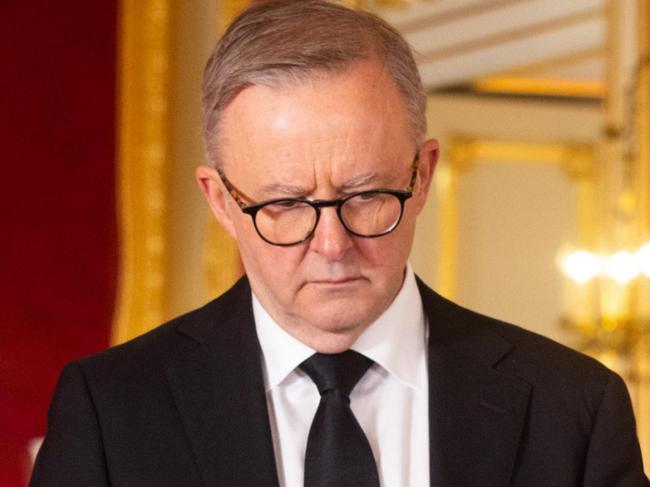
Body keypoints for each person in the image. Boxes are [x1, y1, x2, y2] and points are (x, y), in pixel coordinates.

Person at [31, 1, 648, 486]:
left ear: (423, 174)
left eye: (366, 196)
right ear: (221, 200)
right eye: (285, 205)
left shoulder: (573, 407)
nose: (332, 244)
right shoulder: (111, 409)